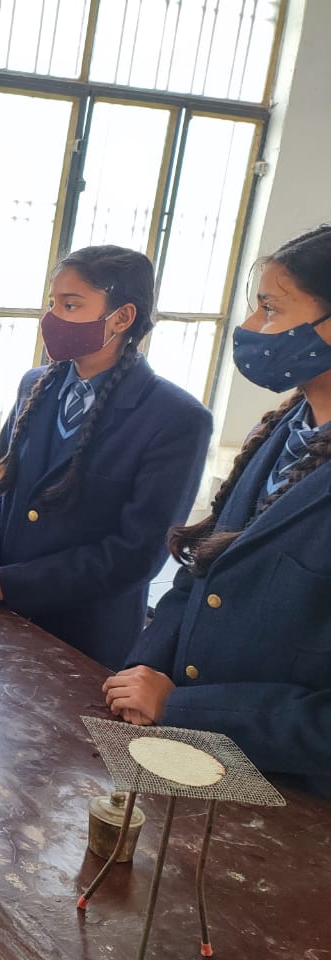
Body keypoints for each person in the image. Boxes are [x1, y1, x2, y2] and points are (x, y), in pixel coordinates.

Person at [105, 226, 331, 796]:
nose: (251, 326)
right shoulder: (284, 431)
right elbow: (203, 573)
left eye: (270, 308)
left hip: (290, 798)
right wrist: (143, 670)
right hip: (187, 758)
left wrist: (186, 707)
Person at [0, 245, 212, 670]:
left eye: (70, 305)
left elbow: (136, 553)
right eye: (52, 303)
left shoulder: (175, 417)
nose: (52, 318)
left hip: (84, 640)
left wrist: (10, 583)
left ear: (122, 318)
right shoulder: (34, 384)